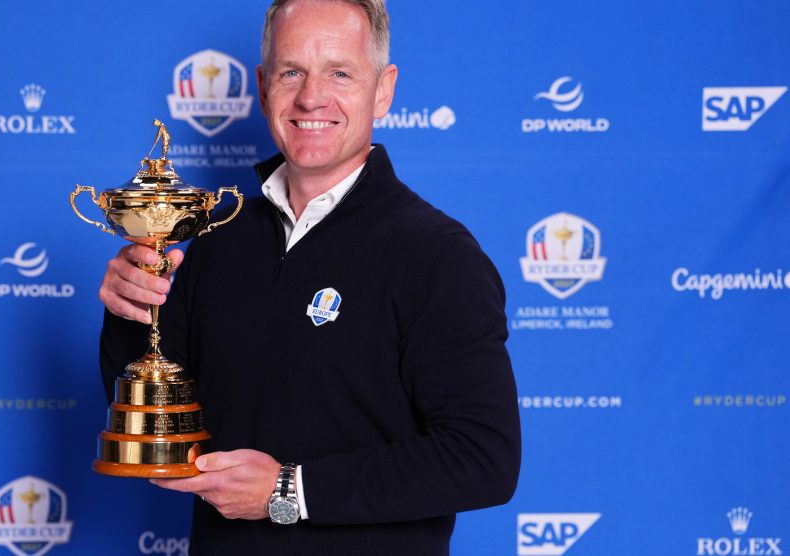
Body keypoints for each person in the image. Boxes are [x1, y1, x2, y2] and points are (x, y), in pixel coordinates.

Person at [98, 0, 520, 553]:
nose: (311, 97)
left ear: (384, 90)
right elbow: (155, 420)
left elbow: (483, 458)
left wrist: (288, 490)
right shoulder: (216, 237)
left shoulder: (437, 255)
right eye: (291, 72)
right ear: (262, 87)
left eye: (339, 73)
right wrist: (131, 307)